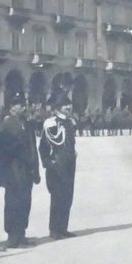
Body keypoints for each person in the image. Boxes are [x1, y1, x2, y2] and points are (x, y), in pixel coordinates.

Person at [0, 98, 41, 248]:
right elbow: (0, 151)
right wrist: (1, 174)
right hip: (13, 171)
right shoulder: (5, 125)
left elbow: (33, 147)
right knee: (13, 203)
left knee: (25, 202)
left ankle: (21, 234)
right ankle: (12, 236)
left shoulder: (27, 124)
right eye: (20, 104)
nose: (24, 107)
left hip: (27, 171)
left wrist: (36, 169)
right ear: (12, 107)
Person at [40, 95, 78, 238]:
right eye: (65, 105)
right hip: (57, 166)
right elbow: (43, 146)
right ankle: (54, 229)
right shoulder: (51, 123)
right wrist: (49, 163)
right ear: (58, 108)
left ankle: (63, 228)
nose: (68, 107)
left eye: (69, 104)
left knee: (68, 196)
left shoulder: (70, 122)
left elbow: (69, 143)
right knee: (57, 197)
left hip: (69, 165)